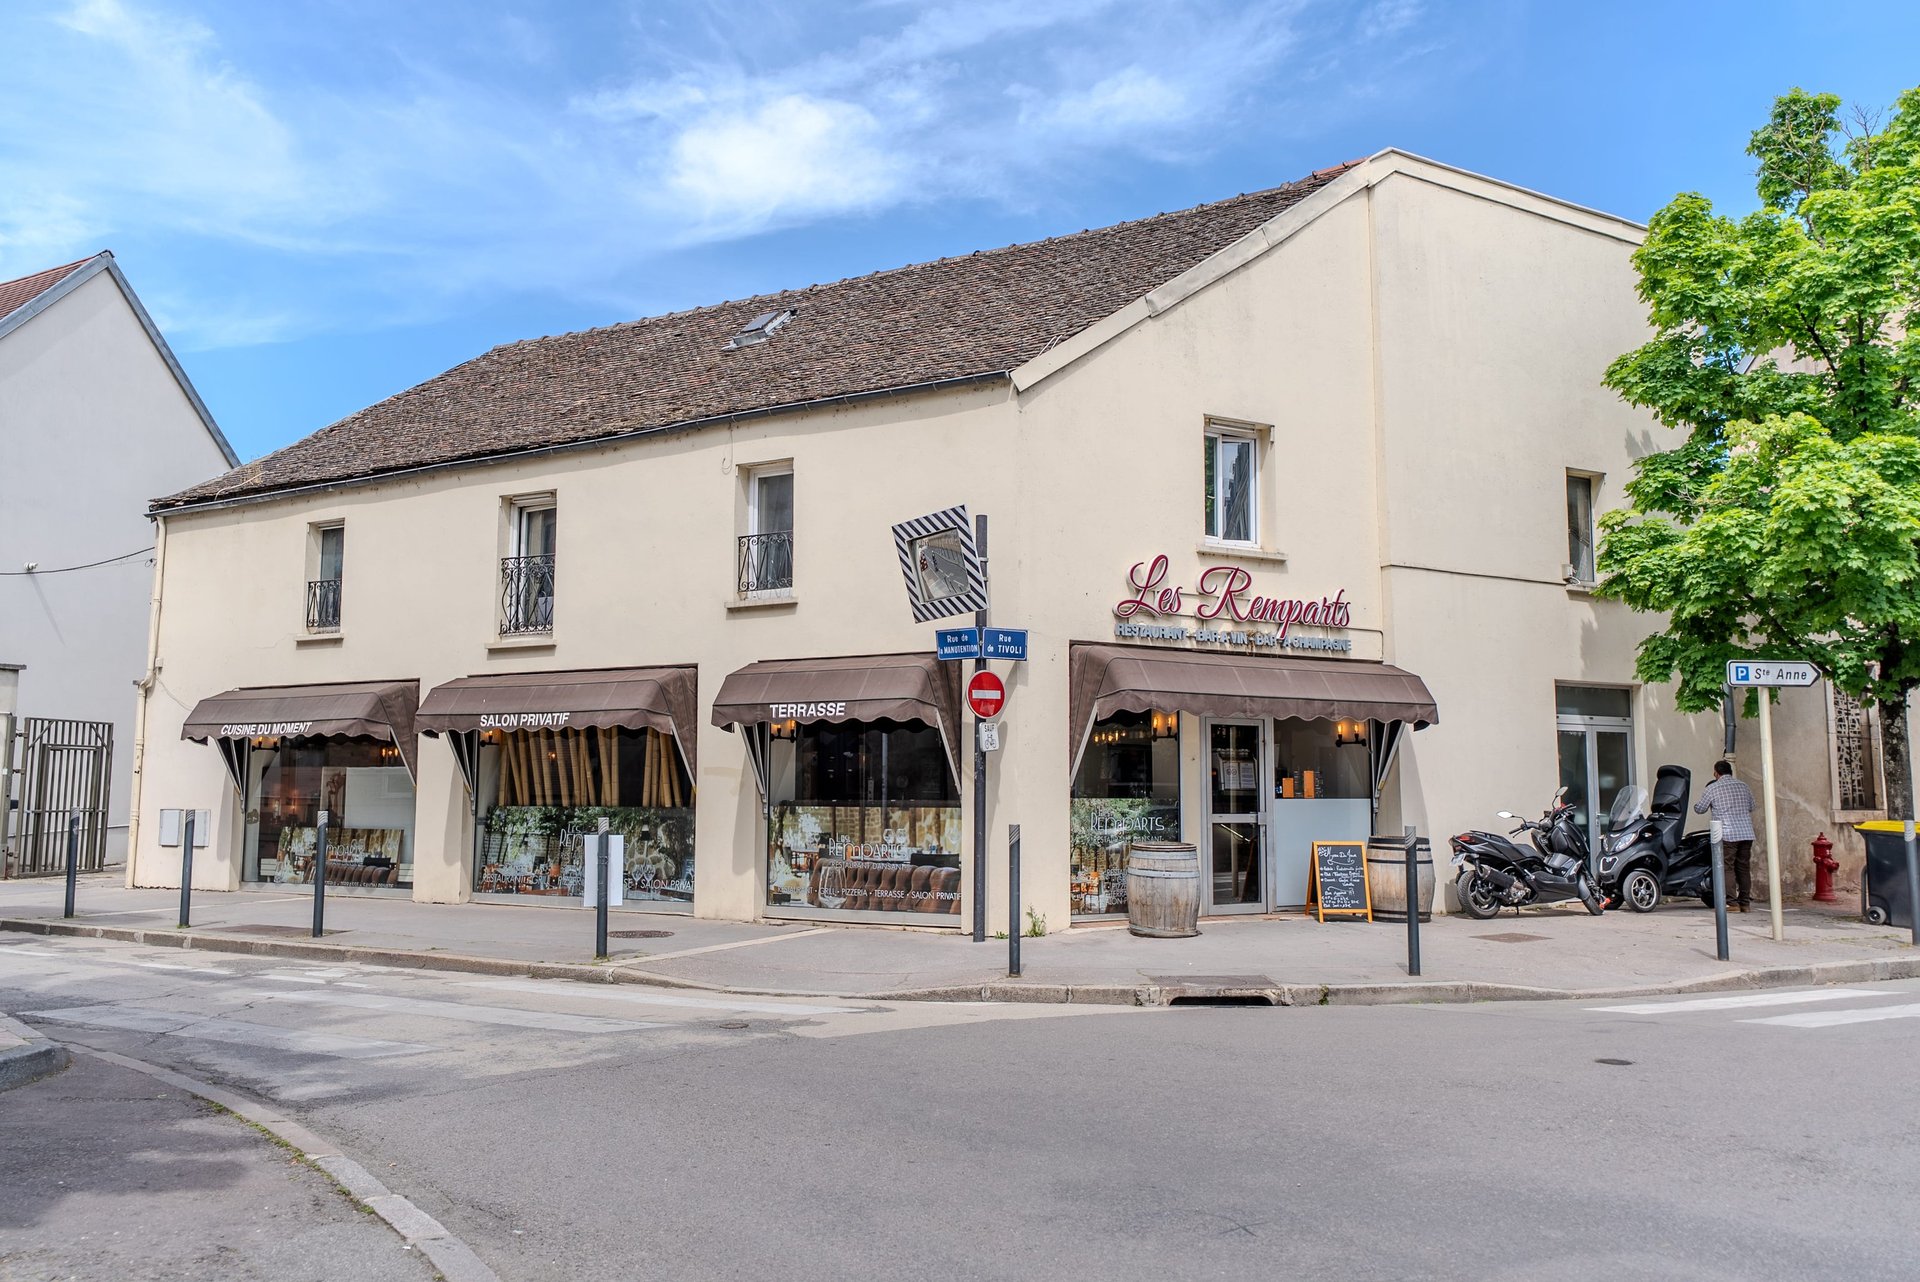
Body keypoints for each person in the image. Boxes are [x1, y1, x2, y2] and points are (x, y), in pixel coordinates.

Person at [1695, 760, 1757, 911]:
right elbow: (1752, 806)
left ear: (1716, 773)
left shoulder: (1712, 788)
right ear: (1730, 771)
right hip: (1746, 832)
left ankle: (1732, 902)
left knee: (1727, 867)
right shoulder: (1743, 786)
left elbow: (1700, 809)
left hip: (1727, 833)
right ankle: (1745, 903)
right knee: (1743, 867)